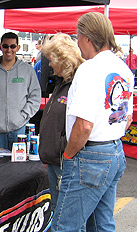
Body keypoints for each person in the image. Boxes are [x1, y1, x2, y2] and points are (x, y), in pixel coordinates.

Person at [52, 12, 134, 232]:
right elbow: (127, 118)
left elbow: (84, 125)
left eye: (78, 38)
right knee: (101, 224)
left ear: (87, 38)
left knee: (65, 226)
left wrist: (69, 155)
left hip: (91, 156)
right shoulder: (123, 69)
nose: (77, 44)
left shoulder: (89, 69)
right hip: (114, 151)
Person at [38, 33, 84, 212]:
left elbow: (83, 125)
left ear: (63, 60)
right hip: (55, 160)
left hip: (64, 162)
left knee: (66, 214)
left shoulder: (76, 84)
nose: (49, 64)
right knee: (59, 210)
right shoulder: (63, 83)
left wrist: (65, 152)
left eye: (51, 60)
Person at [0, 32, 41, 150]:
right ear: (0, 47)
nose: (9, 50)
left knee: (19, 167)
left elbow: (35, 96)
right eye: (5, 46)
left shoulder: (27, 70)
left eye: (12, 46)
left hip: (20, 130)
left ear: (18, 47)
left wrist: (23, 116)